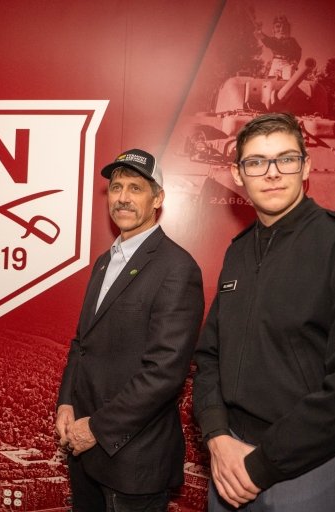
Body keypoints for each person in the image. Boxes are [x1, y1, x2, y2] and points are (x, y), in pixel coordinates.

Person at [193, 113, 335, 511]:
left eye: (285, 159)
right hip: (228, 460)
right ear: (238, 174)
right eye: (256, 162)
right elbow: (208, 357)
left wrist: (263, 464)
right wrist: (217, 436)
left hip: (308, 468)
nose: (271, 173)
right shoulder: (238, 251)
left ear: (305, 166)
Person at [55, 148, 205, 511]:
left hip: (133, 458)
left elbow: (164, 373)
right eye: (116, 187)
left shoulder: (176, 268)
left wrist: (97, 428)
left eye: (135, 188)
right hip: (85, 452)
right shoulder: (105, 262)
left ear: (158, 199)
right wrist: (66, 401)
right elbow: (82, 343)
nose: (122, 197)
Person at [255, 15, 302, 80]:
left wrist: (295, 62)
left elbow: (298, 51)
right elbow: (270, 43)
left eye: (284, 27)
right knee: (271, 81)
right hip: (275, 63)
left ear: (288, 28)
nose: (281, 29)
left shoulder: (292, 41)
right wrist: (262, 35)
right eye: (278, 26)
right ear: (273, 29)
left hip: (287, 64)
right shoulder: (273, 40)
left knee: (288, 80)